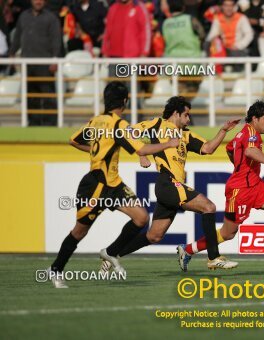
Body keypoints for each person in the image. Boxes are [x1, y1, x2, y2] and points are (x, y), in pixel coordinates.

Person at [47, 82, 180, 288]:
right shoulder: (119, 125)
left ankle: (109, 253)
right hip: (96, 186)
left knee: (141, 217)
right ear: (125, 101)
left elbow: (73, 140)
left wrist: (95, 153)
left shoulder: (95, 121)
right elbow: (142, 149)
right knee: (80, 232)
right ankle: (55, 270)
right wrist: (168, 144)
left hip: (113, 185)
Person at [107, 96, 241, 271]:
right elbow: (129, 133)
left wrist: (223, 131)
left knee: (154, 236)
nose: (188, 119)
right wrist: (142, 154)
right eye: (186, 115)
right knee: (208, 207)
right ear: (176, 113)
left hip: (171, 188)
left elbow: (208, 148)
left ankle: (112, 255)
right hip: (167, 183)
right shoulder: (157, 125)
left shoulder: (185, 135)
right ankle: (213, 257)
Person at [178, 101, 264, 271]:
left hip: (255, 185)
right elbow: (250, 151)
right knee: (227, 233)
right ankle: (187, 250)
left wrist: (239, 165)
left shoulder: (242, 133)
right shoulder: (251, 133)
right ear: (255, 118)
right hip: (240, 191)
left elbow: (230, 149)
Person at [9, 0, 61, 126]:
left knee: (48, 95)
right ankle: (33, 123)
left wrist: (55, 60)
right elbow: (17, 37)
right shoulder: (23, 16)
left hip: (45, 64)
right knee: (30, 96)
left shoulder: (51, 18)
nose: (38, 2)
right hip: (27, 63)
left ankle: (50, 124)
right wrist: (12, 53)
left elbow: (56, 40)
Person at [205, 0, 254, 72]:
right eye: (226, 5)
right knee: (207, 44)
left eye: (231, 5)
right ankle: (214, 73)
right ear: (222, 7)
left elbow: (249, 34)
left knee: (240, 54)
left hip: (238, 49)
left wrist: (238, 45)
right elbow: (212, 35)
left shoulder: (241, 17)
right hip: (224, 49)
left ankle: (238, 75)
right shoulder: (218, 18)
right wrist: (214, 43)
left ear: (234, 7)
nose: (228, 8)